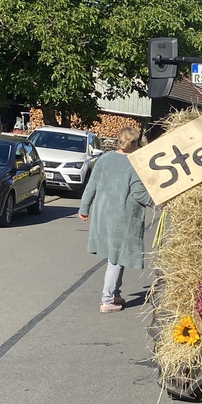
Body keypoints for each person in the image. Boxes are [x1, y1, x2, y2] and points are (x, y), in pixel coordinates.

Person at [79, 127, 153, 313]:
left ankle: (115, 294)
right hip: (122, 217)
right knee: (117, 258)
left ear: (118, 140)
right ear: (136, 144)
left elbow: (91, 185)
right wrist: (160, 203)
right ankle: (107, 300)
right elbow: (138, 193)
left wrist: (84, 208)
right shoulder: (134, 164)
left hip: (103, 215)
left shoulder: (104, 158)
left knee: (116, 256)